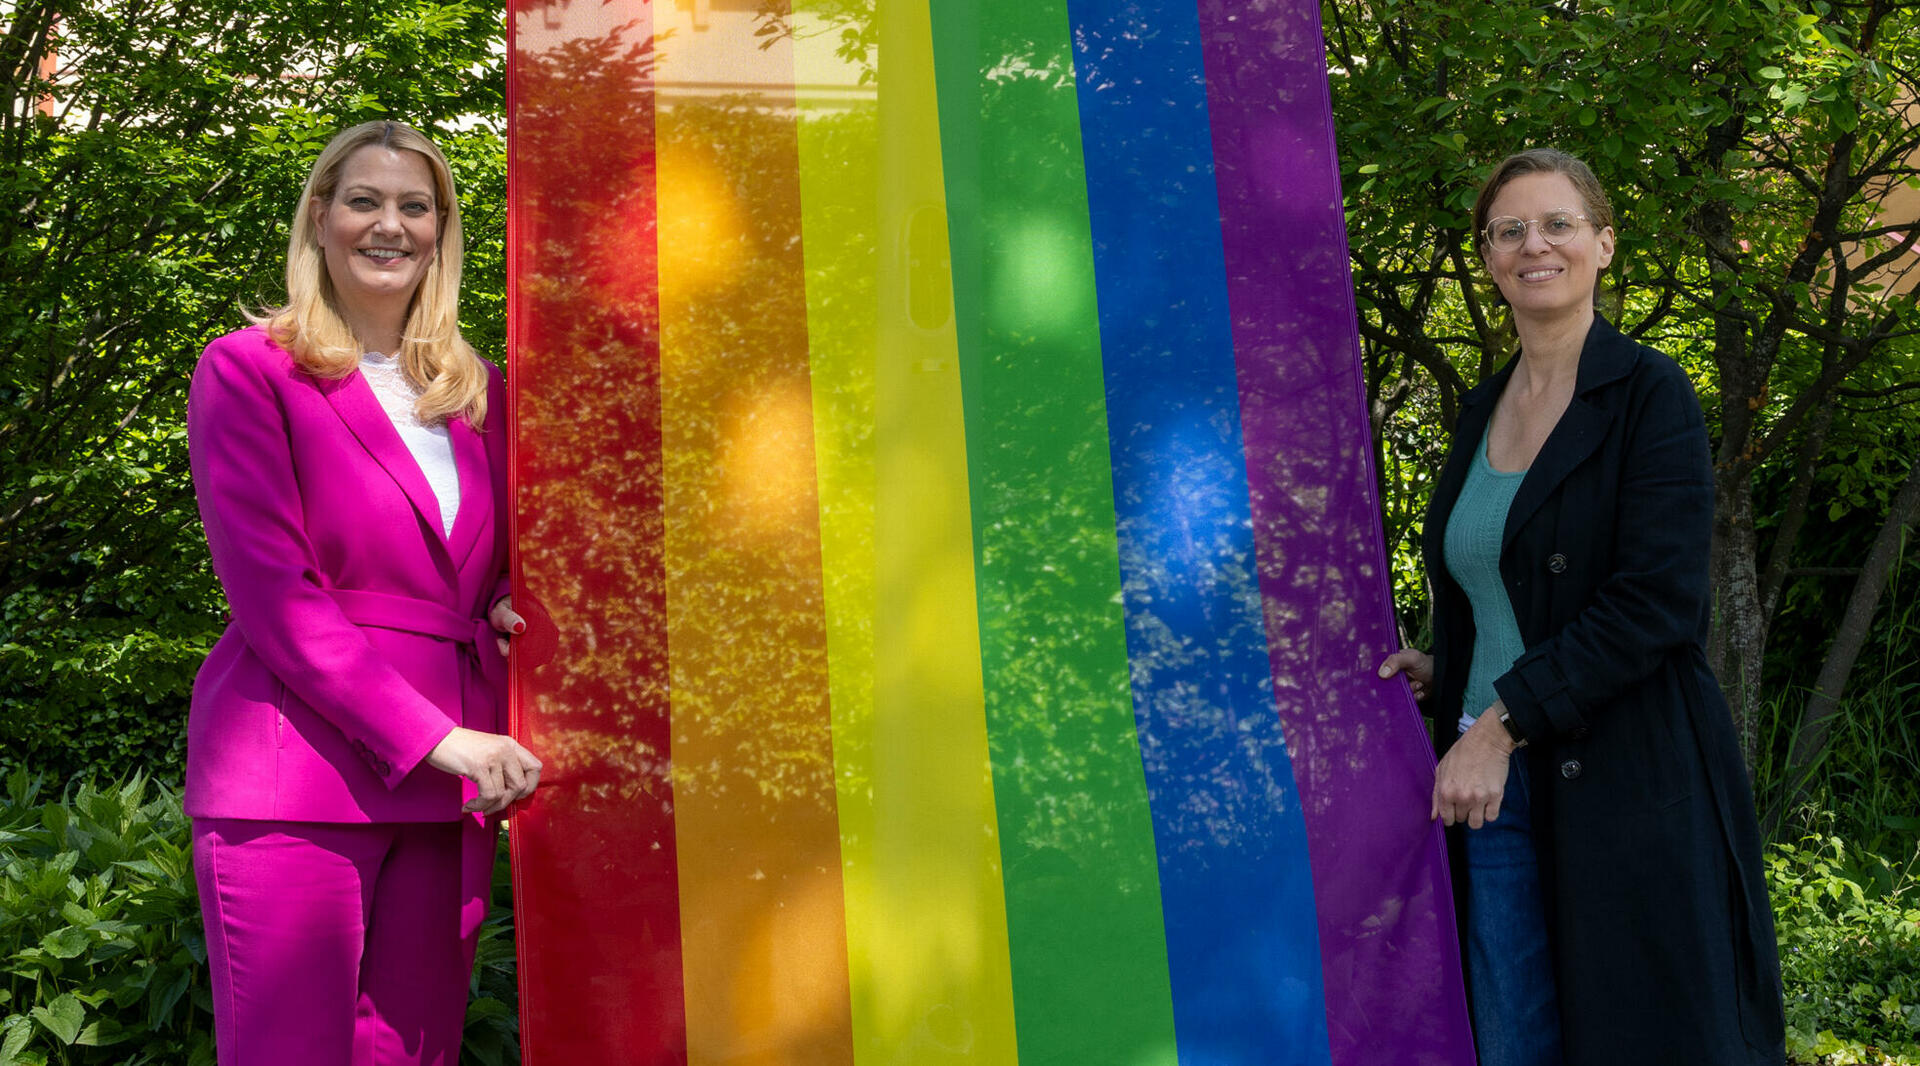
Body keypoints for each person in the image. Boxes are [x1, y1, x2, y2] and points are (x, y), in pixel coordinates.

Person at [1377, 148, 1785, 1066]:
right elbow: (1509, 590)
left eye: (1558, 224)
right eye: (1510, 230)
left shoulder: (1650, 395)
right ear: (1489, 259)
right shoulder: (1480, 409)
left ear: (1603, 244)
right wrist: (1451, 672)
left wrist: (1500, 726)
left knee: (1631, 1035)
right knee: (1512, 1038)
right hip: (1492, 783)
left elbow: (1655, 604)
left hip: (1619, 770)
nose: (1535, 245)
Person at [185, 120, 541, 1066]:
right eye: (364, 201)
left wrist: (509, 601)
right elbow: (276, 594)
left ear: (441, 232)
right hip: (294, 773)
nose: (390, 225)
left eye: (415, 206)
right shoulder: (249, 368)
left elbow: (503, 560)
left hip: (449, 788)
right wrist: (437, 737)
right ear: (320, 218)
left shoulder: (483, 394)